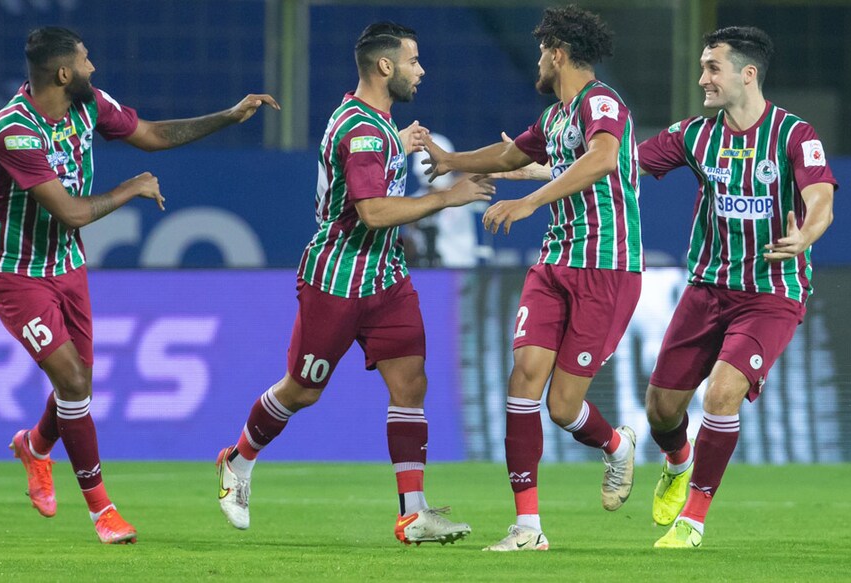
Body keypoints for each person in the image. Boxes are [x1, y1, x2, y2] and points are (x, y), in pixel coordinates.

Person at [0, 26, 279, 544]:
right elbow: (71, 211)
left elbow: (154, 134)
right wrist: (130, 188)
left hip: (67, 266)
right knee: (73, 383)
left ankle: (34, 446)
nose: (94, 67)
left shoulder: (88, 104)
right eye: (86, 59)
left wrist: (228, 116)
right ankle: (103, 511)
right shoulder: (15, 130)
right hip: (16, 272)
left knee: (80, 385)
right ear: (63, 73)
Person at [214, 21, 492, 546]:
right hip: (338, 279)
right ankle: (237, 462)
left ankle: (413, 514)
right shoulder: (362, 130)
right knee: (302, 390)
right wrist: (445, 197)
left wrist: (399, 143)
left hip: (386, 277)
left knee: (411, 384)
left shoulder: (375, 124)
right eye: (413, 61)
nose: (421, 70)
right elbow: (371, 211)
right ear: (385, 67)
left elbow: (372, 165)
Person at [423, 5, 643, 551]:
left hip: (606, 269)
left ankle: (616, 444)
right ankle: (528, 527)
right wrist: (453, 160)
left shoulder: (602, 103)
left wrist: (529, 201)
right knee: (524, 376)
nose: (537, 63)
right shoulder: (554, 119)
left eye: (542, 51)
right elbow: (511, 152)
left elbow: (603, 159)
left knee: (563, 407)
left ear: (558, 53)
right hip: (553, 266)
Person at [636, 26, 837, 548]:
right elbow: (615, 165)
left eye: (712, 68)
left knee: (721, 394)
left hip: (772, 292)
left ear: (747, 74)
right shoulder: (694, 135)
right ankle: (677, 463)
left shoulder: (796, 134)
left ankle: (693, 520)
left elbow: (820, 198)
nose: (702, 77)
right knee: (661, 409)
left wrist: (805, 234)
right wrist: (541, 172)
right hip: (707, 288)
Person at [404, 133, 490, 267]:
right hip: (427, 270)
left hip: (461, 269)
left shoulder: (462, 190)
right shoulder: (415, 199)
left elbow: (487, 171)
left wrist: (447, 190)